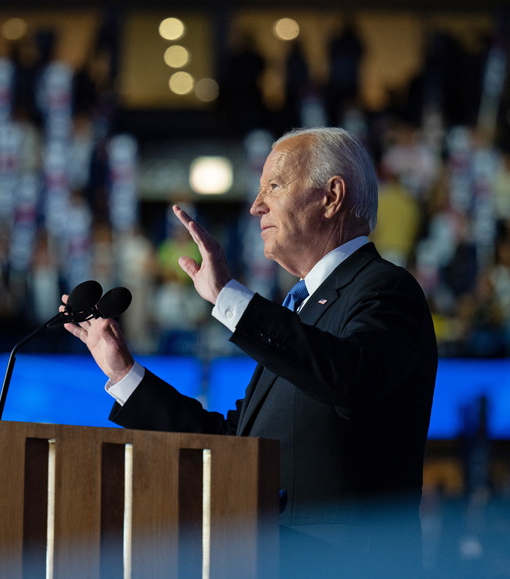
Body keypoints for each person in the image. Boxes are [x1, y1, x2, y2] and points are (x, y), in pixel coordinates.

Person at [65, 127, 437, 577]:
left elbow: (353, 378)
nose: (256, 205)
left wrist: (229, 298)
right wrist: (123, 372)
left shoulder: (385, 289)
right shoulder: (299, 311)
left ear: (332, 196)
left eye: (274, 186)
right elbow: (235, 445)